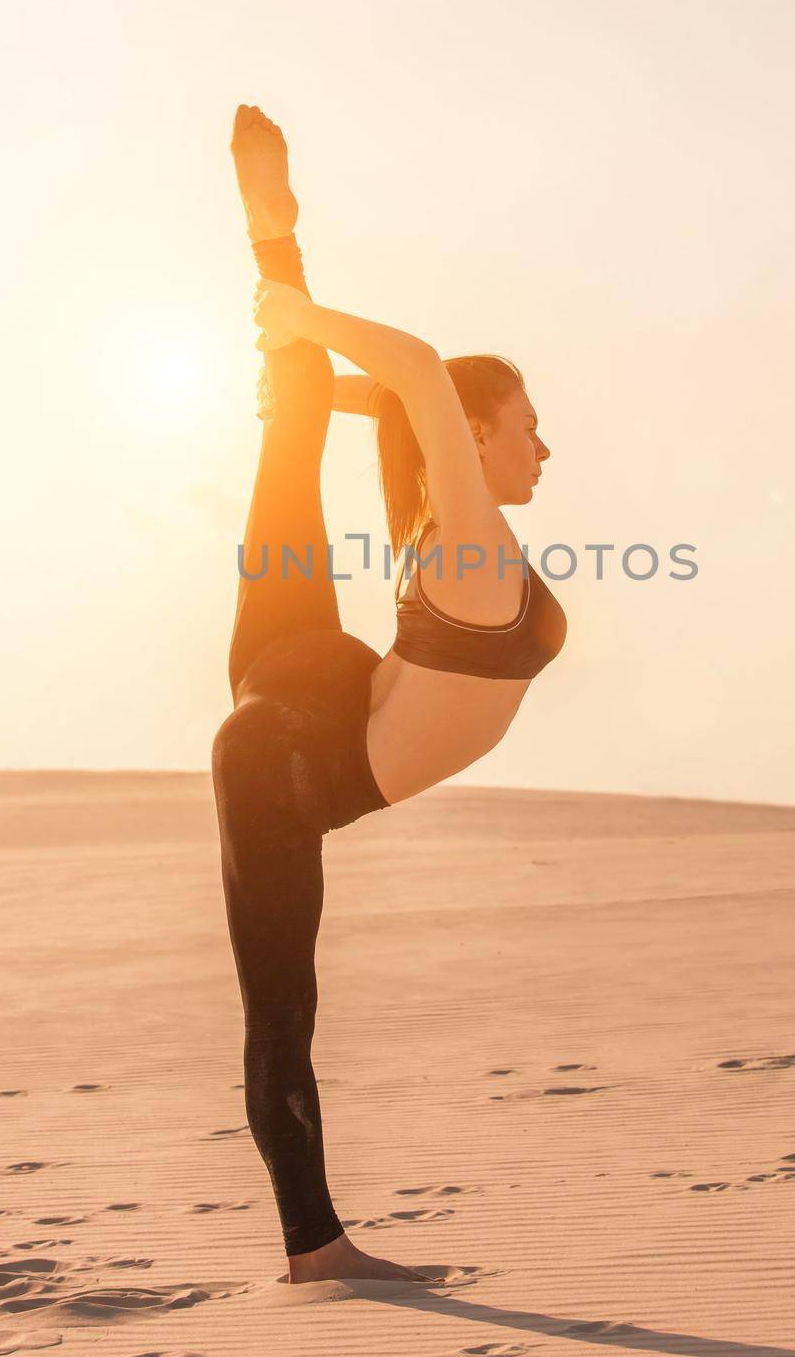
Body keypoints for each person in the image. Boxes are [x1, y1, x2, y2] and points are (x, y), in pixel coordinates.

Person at [211, 105, 568, 1284]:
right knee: (282, 1005)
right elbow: (415, 374)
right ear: (474, 437)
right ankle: (316, 1252)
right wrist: (308, 329)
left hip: (303, 674)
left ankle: (274, 234)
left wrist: (305, 343)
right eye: (526, 426)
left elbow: (405, 401)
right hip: (293, 753)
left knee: (297, 412)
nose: (544, 449)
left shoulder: (444, 532)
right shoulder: (464, 540)